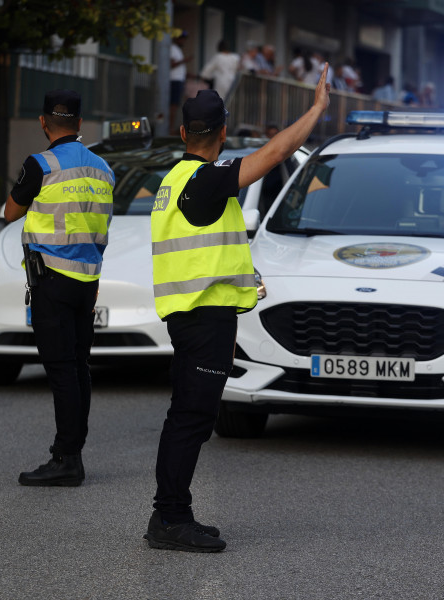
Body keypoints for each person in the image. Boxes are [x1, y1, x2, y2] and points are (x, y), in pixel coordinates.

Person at [144, 66, 332, 552]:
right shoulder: (204, 181)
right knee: (191, 417)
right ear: (223, 132)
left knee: (187, 415)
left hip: (197, 314)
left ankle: (171, 513)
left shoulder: (175, 177)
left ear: (184, 132)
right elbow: (274, 153)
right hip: (201, 315)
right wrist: (315, 110)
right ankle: (169, 518)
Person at [4, 89, 115, 487]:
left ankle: (67, 458)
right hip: (88, 280)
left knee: (61, 370)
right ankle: (74, 450)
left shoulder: (41, 164)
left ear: (43, 122)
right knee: (79, 367)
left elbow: (10, 211)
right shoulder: (104, 168)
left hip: (51, 278)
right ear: (80, 123)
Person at [169, 31, 191, 135]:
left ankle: (172, 128)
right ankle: (170, 129)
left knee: (176, 105)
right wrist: (185, 60)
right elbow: (171, 64)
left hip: (179, 80)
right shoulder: (172, 48)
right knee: (173, 105)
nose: (183, 41)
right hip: (174, 80)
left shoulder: (178, 50)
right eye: (182, 38)